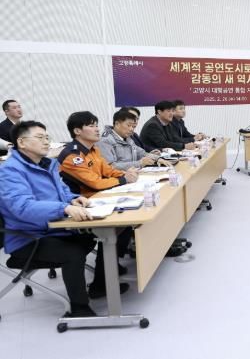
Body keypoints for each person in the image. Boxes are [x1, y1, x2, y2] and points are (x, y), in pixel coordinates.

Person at [0, 121, 97, 317]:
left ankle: (101, 286)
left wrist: (73, 199)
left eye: (47, 137)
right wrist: (64, 208)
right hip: (27, 238)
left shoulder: (48, 164)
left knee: (93, 237)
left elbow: (62, 191)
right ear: (22, 142)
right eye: (39, 137)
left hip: (52, 228)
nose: (46, 142)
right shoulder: (10, 171)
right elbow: (22, 207)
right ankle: (79, 310)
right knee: (72, 253)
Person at [58, 111, 136, 298]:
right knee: (118, 225)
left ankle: (111, 265)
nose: (97, 129)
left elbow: (108, 171)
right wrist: (124, 180)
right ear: (77, 131)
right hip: (81, 206)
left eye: (96, 125)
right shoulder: (72, 155)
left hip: (98, 199)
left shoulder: (93, 150)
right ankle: (101, 284)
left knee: (127, 221)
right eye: (91, 125)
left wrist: (126, 175)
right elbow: (95, 183)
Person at [98, 109, 171, 171]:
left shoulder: (128, 139)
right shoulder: (105, 141)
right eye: (128, 125)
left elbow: (142, 153)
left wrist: (158, 159)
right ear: (117, 124)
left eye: (133, 126)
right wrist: (139, 163)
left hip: (133, 175)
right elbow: (110, 167)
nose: (131, 129)